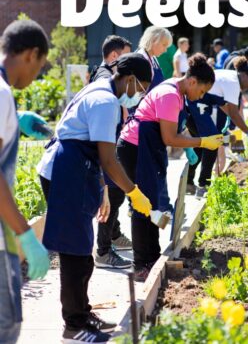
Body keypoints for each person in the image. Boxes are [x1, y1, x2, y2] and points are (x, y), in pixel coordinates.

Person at [39, 53, 153, 344]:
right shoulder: (105, 102)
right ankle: (73, 325)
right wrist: (134, 192)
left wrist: (101, 187)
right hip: (65, 171)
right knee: (75, 253)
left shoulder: (101, 87)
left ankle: (83, 312)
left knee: (81, 251)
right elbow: (109, 159)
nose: (139, 95)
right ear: (129, 80)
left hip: (73, 168)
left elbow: (96, 150)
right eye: (141, 88)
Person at [117, 53, 223, 282]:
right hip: (135, 147)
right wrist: (202, 142)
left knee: (151, 203)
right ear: (192, 81)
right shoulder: (170, 95)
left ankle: (151, 258)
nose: (200, 96)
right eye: (202, 91)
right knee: (141, 205)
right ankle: (141, 265)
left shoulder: (176, 90)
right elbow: (169, 138)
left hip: (144, 147)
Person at [0, 19, 50, 344]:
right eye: (40, 67)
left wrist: (15, 122)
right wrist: (25, 234)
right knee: (6, 324)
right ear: (31, 54)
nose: (36, 78)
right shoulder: (3, 94)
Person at [89, 35, 133, 270]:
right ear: (115, 57)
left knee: (114, 194)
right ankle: (104, 251)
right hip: (102, 146)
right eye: (125, 57)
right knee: (113, 194)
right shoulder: (106, 78)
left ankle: (114, 235)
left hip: (110, 141)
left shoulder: (107, 75)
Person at [187, 57, 248, 194]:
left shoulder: (230, 78)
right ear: (244, 74)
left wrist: (239, 127)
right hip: (194, 105)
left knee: (200, 146)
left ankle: (189, 183)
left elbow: (224, 106)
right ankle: (203, 186)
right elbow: (233, 112)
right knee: (213, 142)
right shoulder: (233, 82)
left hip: (193, 105)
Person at [137, 25, 173, 90]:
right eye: (164, 45)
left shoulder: (154, 58)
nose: (165, 50)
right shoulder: (141, 59)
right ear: (153, 40)